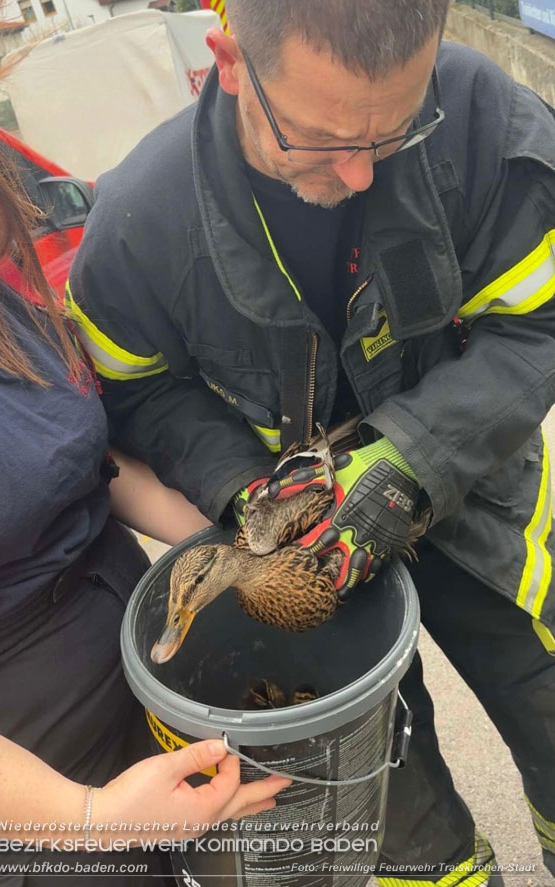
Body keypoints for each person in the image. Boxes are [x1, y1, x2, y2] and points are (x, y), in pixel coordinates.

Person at [67, 0, 555, 883]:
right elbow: (137, 391)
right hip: (293, 564)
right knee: (386, 799)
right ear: (226, 60)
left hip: (477, 501)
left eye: (394, 131)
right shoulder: (138, 229)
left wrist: (413, 456)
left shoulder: (484, 122)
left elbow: (536, 324)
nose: (361, 173)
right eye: (323, 138)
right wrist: (240, 487)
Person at [0, 2, 291, 885]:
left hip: (139, 699)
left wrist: (233, 542)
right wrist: (89, 819)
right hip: (3, 800)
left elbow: (79, 466)